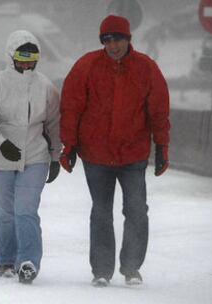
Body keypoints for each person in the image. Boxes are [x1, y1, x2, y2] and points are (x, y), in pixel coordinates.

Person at [59, 15, 170, 287]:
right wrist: (69, 145)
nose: (113, 45)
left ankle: (131, 267)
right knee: (101, 211)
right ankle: (102, 270)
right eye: (107, 40)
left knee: (136, 210)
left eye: (118, 39)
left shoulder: (146, 68)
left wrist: (163, 147)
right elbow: (71, 107)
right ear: (102, 42)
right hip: (96, 155)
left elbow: (159, 111)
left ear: (128, 39)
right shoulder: (86, 66)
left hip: (132, 154)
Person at [0, 30, 61, 284]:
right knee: (4, 212)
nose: (27, 62)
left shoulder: (46, 88)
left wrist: (54, 157)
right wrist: (0, 143)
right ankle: (7, 260)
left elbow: (54, 125)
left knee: (26, 210)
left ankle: (28, 261)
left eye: (32, 57)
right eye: (22, 56)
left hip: (35, 157)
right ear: (10, 55)